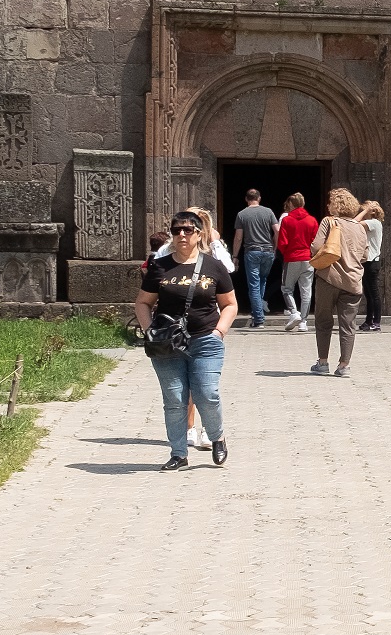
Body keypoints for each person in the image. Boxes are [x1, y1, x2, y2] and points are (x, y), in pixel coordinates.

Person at [135, 208, 235, 471]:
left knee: (206, 393)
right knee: (175, 398)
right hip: (167, 343)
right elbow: (143, 303)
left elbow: (230, 304)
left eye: (187, 229)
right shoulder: (160, 266)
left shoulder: (214, 266)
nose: (181, 234)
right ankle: (179, 453)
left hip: (205, 340)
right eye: (176, 230)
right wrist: (149, 331)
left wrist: (219, 331)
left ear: (198, 233)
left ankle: (218, 436)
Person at [310, 187, 370, 375]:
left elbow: (316, 246)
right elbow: (365, 255)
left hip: (329, 278)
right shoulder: (360, 228)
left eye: (330, 202)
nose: (328, 206)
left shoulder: (329, 221)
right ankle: (344, 365)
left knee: (323, 321)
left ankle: (322, 362)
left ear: (336, 205)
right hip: (353, 282)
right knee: (348, 325)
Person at [231, 189, 279, 324]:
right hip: (268, 251)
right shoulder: (268, 211)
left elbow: (239, 237)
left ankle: (258, 319)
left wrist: (235, 256)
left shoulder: (242, 214)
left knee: (254, 285)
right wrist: (275, 248)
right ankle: (257, 311)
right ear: (259, 198)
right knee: (262, 281)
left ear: (246, 199)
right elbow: (277, 230)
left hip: (252, 252)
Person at [275, 192, 318, 333]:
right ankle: (304, 322)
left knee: (287, 288)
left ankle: (294, 312)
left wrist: (286, 253)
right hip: (308, 258)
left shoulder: (287, 220)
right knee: (306, 291)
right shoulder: (312, 220)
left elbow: (282, 242)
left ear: (292, 204)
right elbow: (315, 241)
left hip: (292, 258)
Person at [359, 199, 387, 331]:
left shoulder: (374, 223)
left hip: (372, 261)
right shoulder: (372, 223)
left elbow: (353, 223)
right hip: (367, 261)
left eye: (365, 210)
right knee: (369, 294)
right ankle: (369, 321)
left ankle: (376, 321)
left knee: (373, 293)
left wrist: (365, 211)